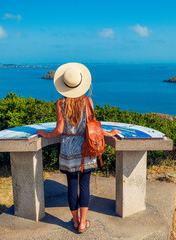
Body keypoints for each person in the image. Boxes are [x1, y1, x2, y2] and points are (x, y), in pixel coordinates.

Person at [36, 62, 120, 233]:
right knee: (85, 185)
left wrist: (46, 134)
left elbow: (59, 129)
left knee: (72, 185)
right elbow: (92, 126)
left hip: (68, 148)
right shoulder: (88, 101)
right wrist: (109, 133)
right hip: (86, 148)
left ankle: (74, 221)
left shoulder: (60, 103)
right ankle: (83, 223)